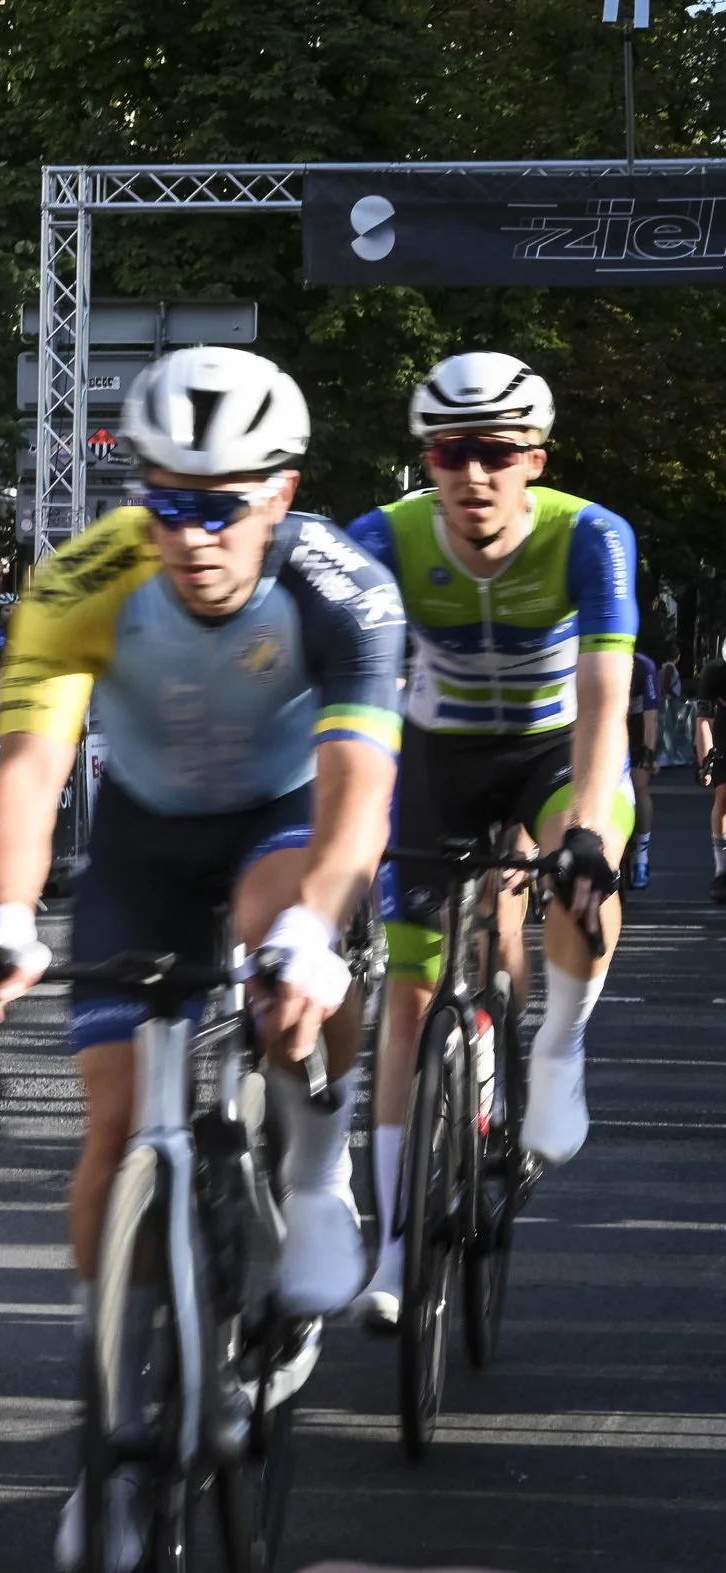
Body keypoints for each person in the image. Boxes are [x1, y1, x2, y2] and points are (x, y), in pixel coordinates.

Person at [0, 346, 403, 1572]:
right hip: (143, 838)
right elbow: (29, 764)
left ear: (282, 495)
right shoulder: (83, 576)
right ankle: (113, 1417)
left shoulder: (341, 586)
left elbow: (361, 789)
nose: (192, 533)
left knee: (284, 933)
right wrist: (2, 912)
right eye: (166, 499)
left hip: (279, 820)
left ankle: (316, 1167)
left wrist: (315, 924)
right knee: (107, 1127)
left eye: (224, 503)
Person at [343, 352, 636, 1326]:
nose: (472, 473)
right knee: (408, 989)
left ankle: (554, 1049)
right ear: (427, 458)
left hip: (555, 748)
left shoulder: (590, 537)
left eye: (495, 453)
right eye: (449, 452)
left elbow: (603, 704)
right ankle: (389, 1243)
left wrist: (587, 834)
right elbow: (357, 706)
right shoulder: (379, 539)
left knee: (580, 881)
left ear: (534, 459)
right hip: (438, 753)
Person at [627, 647, 660, 889]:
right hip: (610, 721)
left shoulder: (644, 666)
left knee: (640, 785)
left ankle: (642, 858)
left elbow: (651, 718)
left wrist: (648, 754)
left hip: (638, 726)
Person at [699, 640, 726, 901]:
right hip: (723, 736)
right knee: (723, 796)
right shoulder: (714, 673)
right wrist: (706, 762)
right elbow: (703, 723)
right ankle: (722, 871)